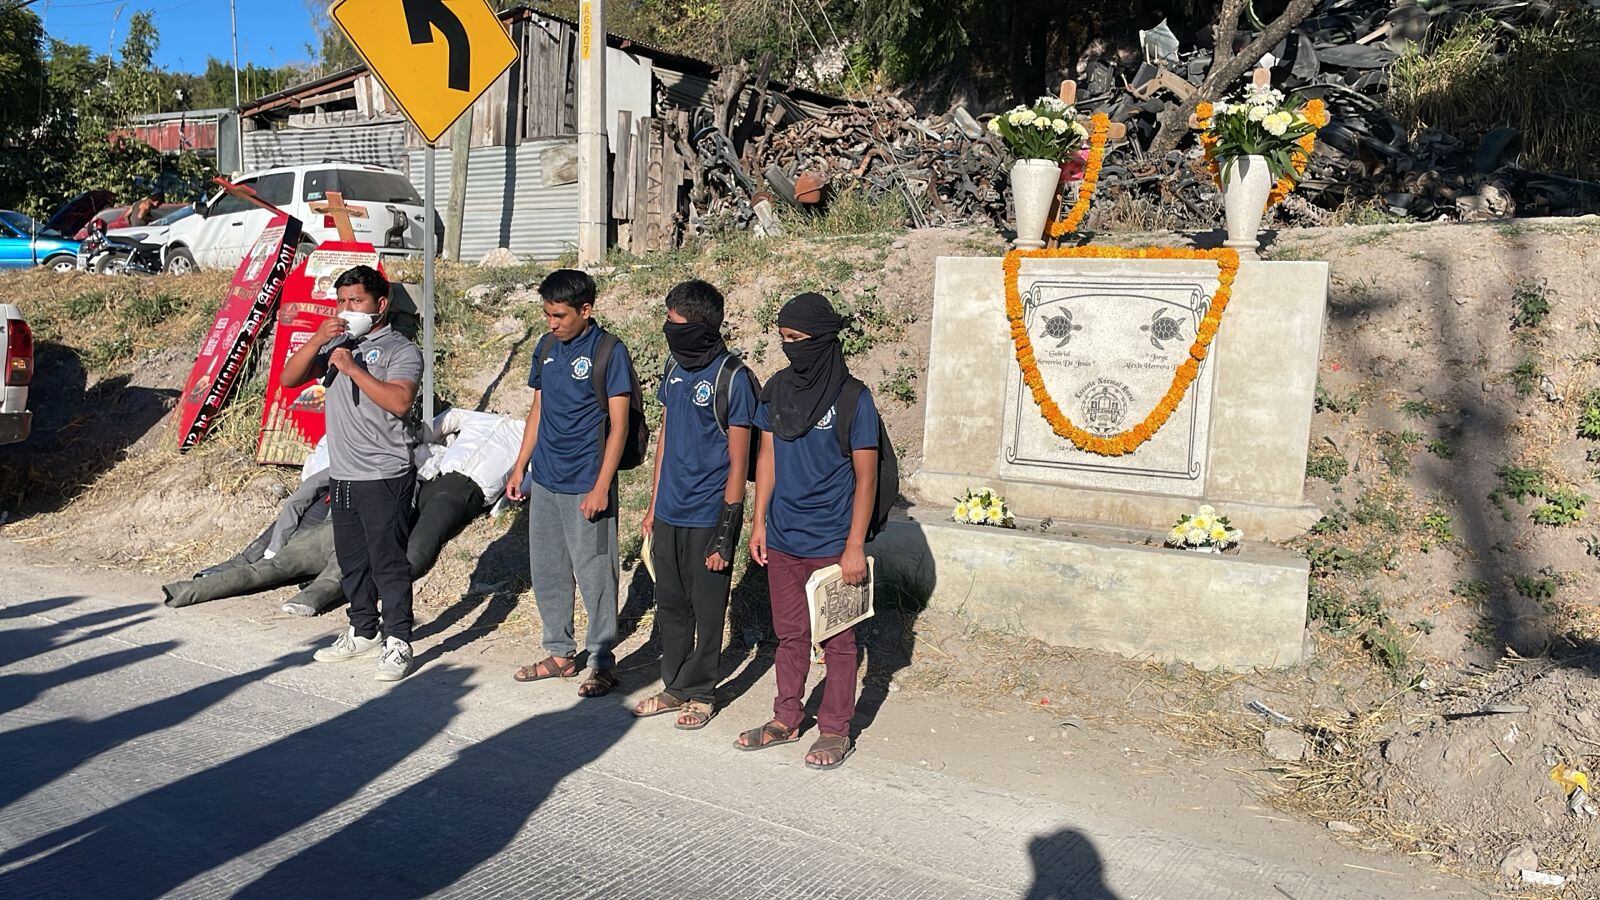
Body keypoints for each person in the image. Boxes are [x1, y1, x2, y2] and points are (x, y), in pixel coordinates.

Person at [737, 293, 879, 771]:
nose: (789, 348)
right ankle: (786, 718)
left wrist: (854, 546)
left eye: (797, 340)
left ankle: (836, 729)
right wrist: (759, 522)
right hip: (782, 538)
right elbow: (767, 458)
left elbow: (867, 476)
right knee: (790, 634)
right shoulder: (777, 389)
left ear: (822, 340)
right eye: (783, 339)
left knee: (838, 642)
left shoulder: (853, 399)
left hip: (833, 545)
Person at [281, 264, 423, 683]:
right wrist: (319, 340)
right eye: (341, 301)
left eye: (356, 301)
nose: (347, 309)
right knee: (352, 561)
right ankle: (363, 630)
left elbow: (399, 402)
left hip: (384, 473)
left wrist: (353, 369)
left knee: (387, 562)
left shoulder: (401, 350)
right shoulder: (337, 343)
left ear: (380, 304)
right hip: (343, 473)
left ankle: (398, 640)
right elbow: (290, 378)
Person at [506, 269, 635, 699]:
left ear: (586, 309)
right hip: (545, 479)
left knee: (596, 574)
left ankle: (601, 661)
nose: (552, 323)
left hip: (586, 482)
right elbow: (538, 411)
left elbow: (619, 427)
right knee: (548, 570)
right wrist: (520, 466)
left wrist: (602, 486)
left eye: (560, 315)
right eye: (547, 315)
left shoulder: (609, 352)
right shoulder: (546, 347)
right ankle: (560, 652)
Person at [634, 280, 757, 730]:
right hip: (669, 512)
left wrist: (726, 533)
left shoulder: (733, 379)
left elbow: (739, 463)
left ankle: (703, 692)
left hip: (709, 516)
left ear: (700, 325)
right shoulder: (672, 368)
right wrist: (652, 506)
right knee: (670, 605)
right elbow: (665, 437)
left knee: (707, 611)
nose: (668, 328)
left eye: (675, 321)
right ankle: (674, 686)